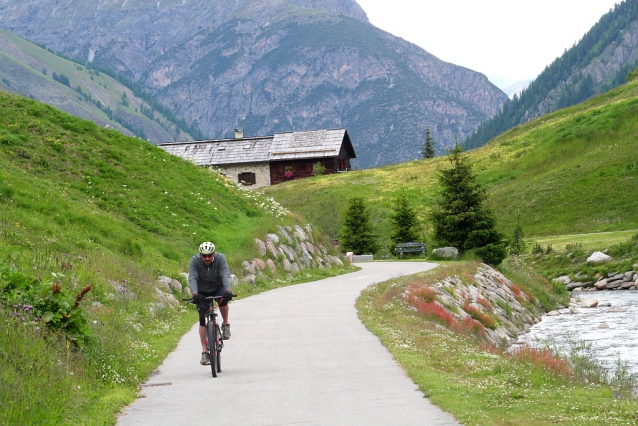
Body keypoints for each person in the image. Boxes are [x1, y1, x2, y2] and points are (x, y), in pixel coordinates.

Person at [189, 241, 234, 365]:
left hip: (217, 287)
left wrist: (228, 290)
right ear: (200, 254)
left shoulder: (220, 259)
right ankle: (204, 352)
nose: (207, 258)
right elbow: (192, 277)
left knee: (223, 300)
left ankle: (226, 324)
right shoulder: (195, 261)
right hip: (202, 290)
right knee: (202, 319)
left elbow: (225, 274)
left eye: (210, 255)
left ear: (214, 253)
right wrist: (194, 294)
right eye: (204, 255)